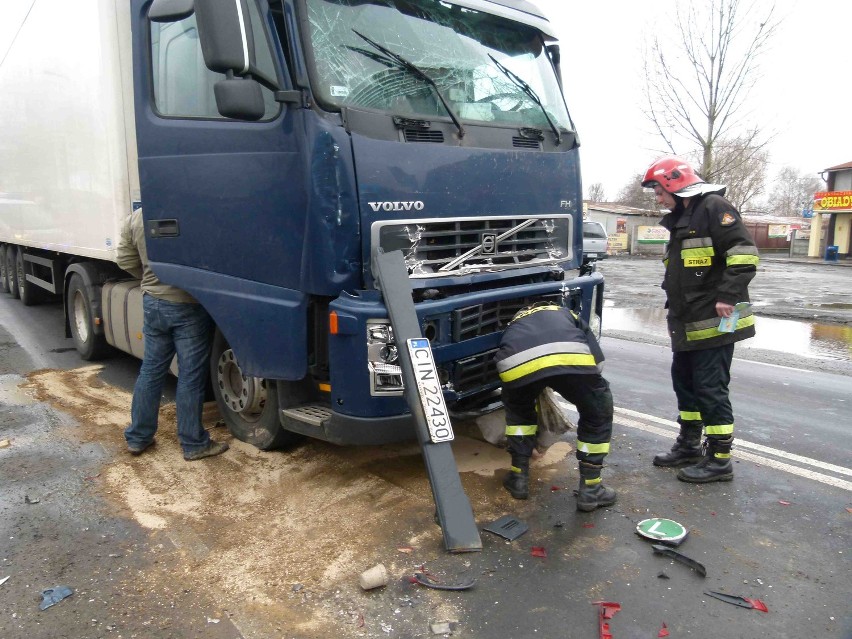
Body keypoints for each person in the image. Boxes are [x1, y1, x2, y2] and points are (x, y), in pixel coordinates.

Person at [641, 156, 759, 483]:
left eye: (659, 190)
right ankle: (690, 444)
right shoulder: (683, 218)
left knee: (710, 388)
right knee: (686, 384)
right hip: (688, 321)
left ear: (676, 185)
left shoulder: (713, 207)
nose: (657, 198)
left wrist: (728, 295)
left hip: (715, 319)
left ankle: (720, 460)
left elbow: (744, 255)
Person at [117, 208, 229, 461]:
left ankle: (138, 438)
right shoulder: (192, 212)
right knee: (190, 375)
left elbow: (124, 259)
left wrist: (149, 277)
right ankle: (193, 443)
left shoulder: (137, 217)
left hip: (153, 302)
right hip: (188, 305)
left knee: (151, 369)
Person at [494, 301, 616, 511]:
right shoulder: (568, 314)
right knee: (597, 413)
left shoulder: (515, 323)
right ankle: (591, 489)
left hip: (515, 367)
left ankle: (518, 478)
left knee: (519, 418)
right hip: (571, 360)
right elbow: (598, 364)